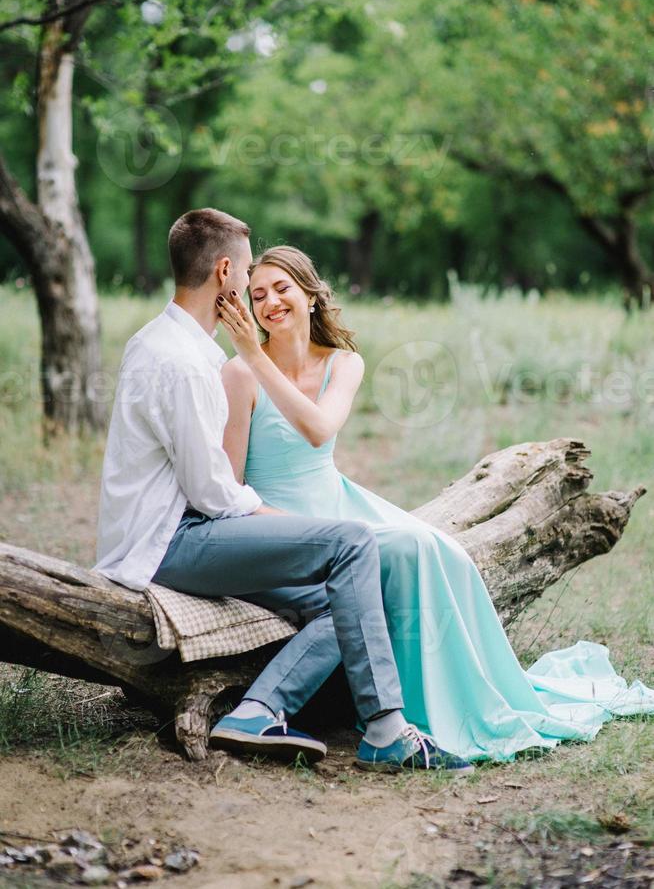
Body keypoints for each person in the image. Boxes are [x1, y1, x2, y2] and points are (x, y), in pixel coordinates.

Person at [218, 244, 654, 763]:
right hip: (280, 523)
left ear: (311, 296)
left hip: (338, 504)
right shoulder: (240, 373)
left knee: (437, 548)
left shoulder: (343, 363)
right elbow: (230, 487)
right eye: (258, 293)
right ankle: (390, 723)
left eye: (282, 288)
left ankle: (454, 699)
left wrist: (253, 355)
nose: (269, 303)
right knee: (396, 555)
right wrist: (252, 356)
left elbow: (319, 428)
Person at [93, 209, 474, 775]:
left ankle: (259, 710)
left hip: (183, 530)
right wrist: (276, 517)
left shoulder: (175, 345)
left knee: (337, 598)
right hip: (170, 541)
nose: (252, 289)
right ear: (225, 271)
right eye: (248, 273)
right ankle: (386, 730)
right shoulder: (185, 362)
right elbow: (213, 492)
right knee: (349, 544)